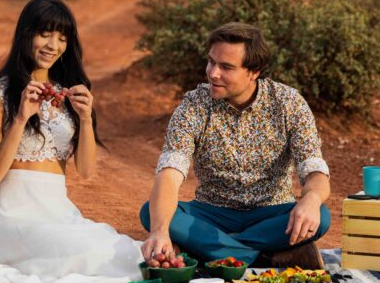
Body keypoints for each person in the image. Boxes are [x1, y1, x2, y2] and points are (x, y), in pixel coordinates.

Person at [0, 0, 142, 283]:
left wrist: (85, 119)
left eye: (62, 38)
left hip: (59, 212)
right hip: (12, 217)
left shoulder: (66, 94)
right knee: (86, 252)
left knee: (120, 249)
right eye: (45, 34)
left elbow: (85, 171)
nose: (53, 45)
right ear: (26, 34)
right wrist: (20, 119)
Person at [140, 22, 331, 269]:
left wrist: (312, 200)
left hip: (272, 215)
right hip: (211, 213)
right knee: (153, 214)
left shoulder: (289, 103)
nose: (213, 73)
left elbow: (315, 171)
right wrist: (160, 230)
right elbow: (169, 173)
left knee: (321, 216)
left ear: (254, 71)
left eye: (226, 67)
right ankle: (266, 256)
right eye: (211, 62)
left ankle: (208, 251)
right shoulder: (193, 106)